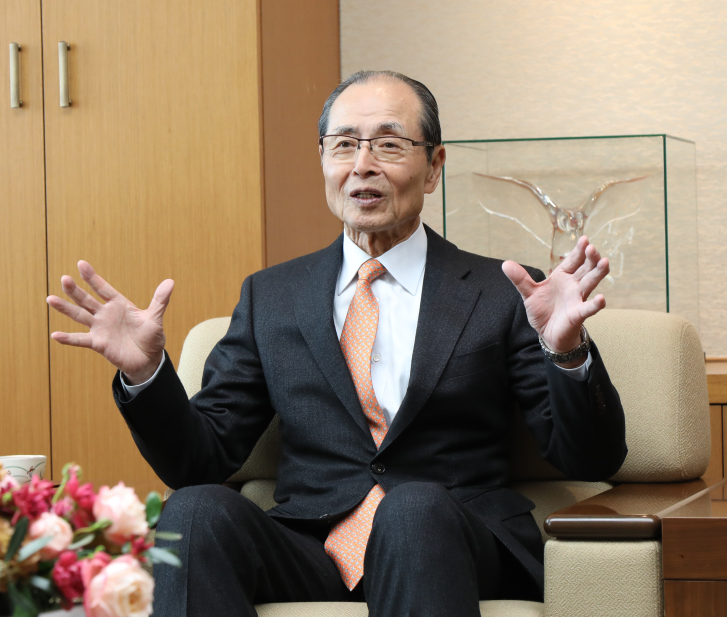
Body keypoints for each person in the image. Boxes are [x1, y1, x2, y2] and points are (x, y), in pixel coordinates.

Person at [47, 70, 627, 617]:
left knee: (412, 509)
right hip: (311, 546)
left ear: (433, 168)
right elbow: (200, 462)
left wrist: (567, 351)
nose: (362, 165)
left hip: (449, 541)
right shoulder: (271, 296)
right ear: (323, 161)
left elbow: (590, 459)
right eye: (344, 145)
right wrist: (147, 375)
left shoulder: (501, 292)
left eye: (389, 145)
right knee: (194, 511)